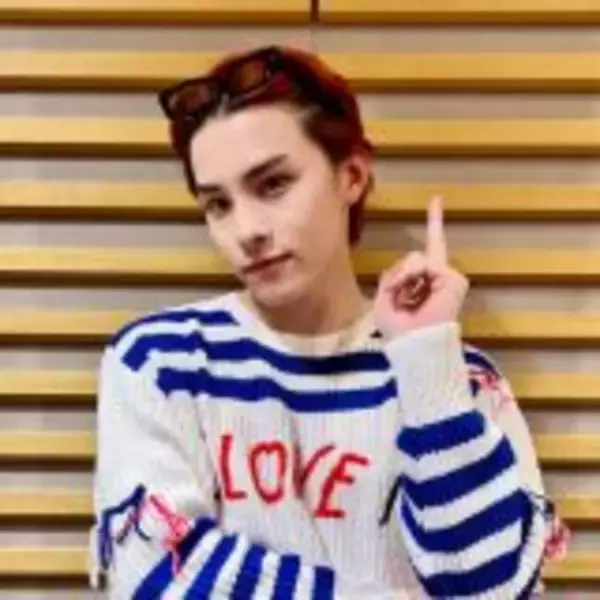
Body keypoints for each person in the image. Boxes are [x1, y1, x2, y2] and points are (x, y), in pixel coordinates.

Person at [89, 45, 568, 599]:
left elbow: (492, 589)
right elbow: (156, 577)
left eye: (273, 184)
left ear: (352, 176)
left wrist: (426, 369)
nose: (247, 230)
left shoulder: (456, 378)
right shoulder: (162, 361)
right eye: (218, 204)